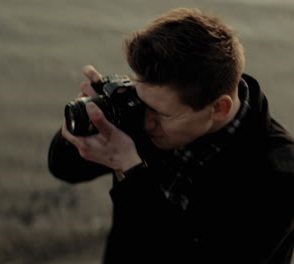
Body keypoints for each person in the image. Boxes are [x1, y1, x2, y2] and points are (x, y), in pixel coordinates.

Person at [48, 8, 294, 263]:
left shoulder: (278, 178)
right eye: (142, 100)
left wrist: (132, 172)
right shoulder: (151, 108)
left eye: (161, 114)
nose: (147, 123)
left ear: (219, 109)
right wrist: (92, 120)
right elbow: (63, 169)